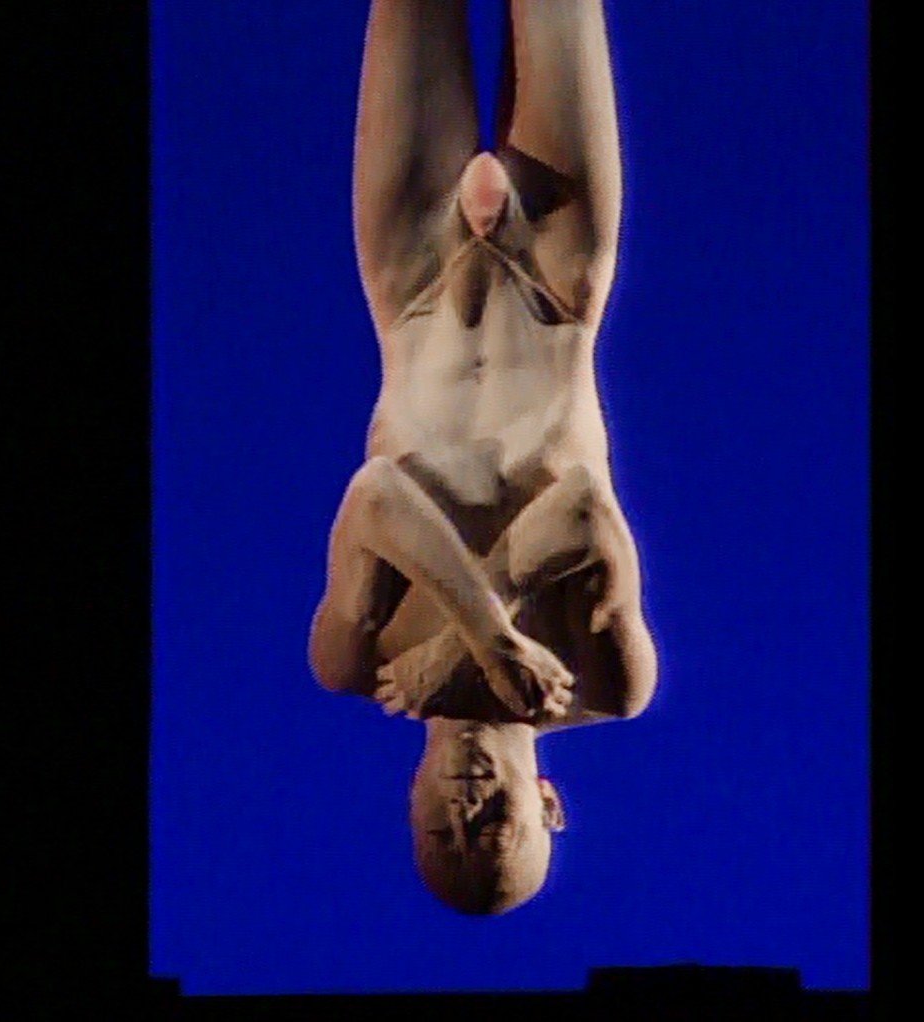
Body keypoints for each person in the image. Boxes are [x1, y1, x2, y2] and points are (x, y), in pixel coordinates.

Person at [307, 0, 657, 915]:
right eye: (495, 830)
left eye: (440, 834)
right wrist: (493, 641)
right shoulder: (609, 686)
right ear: (549, 807)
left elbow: (376, 496)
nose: (465, 810)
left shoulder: (352, 662)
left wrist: (478, 641)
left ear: (409, 808)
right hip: (556, 283)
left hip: (412, 278)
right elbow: (584, 509)